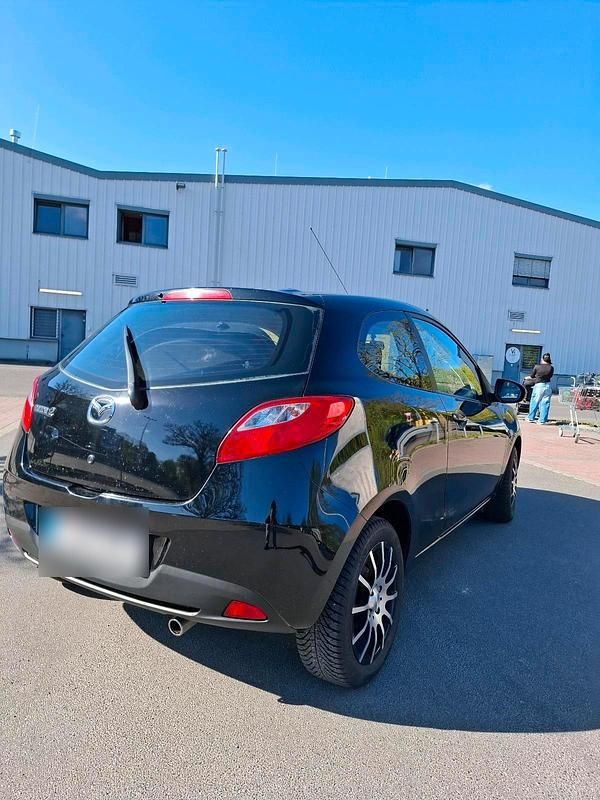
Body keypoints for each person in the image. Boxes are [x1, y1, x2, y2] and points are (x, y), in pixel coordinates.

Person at [527, 353, 554, 424]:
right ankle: (542, 420)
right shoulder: (551, 368)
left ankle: (531, 418)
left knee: (534, 402)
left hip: (539, 386)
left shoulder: (537, 366)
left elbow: (532, 376)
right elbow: (550, 376)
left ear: (542, 359)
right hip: (547, 386)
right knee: (545, 403)